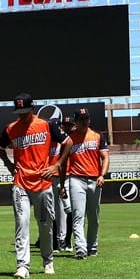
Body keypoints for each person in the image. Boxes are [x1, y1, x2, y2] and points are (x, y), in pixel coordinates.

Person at [0, 93, 70, 278]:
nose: (22, 115)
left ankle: (48, 261)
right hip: (20, 181)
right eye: (19, 112)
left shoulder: (47, 125)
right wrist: (8, 163)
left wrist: (58, 164)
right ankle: (23, 266)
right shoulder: (11, 129)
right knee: (22, 223)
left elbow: (68, 142)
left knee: (45, 225)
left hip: (43, 182)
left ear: (33, 109)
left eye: (25, 111)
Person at [59, 107, 109, 259]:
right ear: (76, 122)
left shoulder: (98, 136)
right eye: (81, 119)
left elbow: (105, 157)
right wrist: (62, 185)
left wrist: (102, 175)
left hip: (95, 179)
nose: (85, 121)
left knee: (93, 216)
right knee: (78, 216)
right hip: (76, 179)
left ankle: (92, 247)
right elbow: (62, 164)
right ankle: (81, 248)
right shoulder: (69, 140)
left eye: (86, 118)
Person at [50, 115, 75, 251]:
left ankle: (67, 241)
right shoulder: (46, 142)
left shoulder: (65, 141)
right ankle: (54, 243)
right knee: (52, 212)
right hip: (50, 179)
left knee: (69, 209)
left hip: (64, 177)